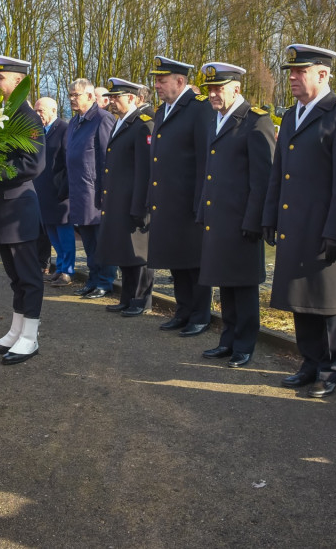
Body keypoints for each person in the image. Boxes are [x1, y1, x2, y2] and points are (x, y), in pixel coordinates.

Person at [262, 45, 336, 397]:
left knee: (329, 301)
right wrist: (270, 215)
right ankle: (309, 361)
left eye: (299, 71)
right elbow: (280, 173)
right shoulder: (291, 115)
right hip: (295, 223)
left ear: (323, 74)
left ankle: (333, 369)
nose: (291, 77)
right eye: (290, 71)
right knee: (300, 297)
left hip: (324, 227)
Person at [197, 62, 275, 368]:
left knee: (243, 287)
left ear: (236, 88)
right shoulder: (215, 120)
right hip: (219, 218)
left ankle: (244, 344)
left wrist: (254, 221)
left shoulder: (255, 122)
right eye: (210, 89)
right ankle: (227, 339)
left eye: (219, 88)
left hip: (243, 221)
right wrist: (204, 209)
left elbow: (263, 178)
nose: (214, 94)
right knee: (224, 283)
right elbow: (210, 172)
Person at [0, 55, 47, 365]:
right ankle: (16, 331)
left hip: (19, 209)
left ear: (18, 81)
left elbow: (33, 164)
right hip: (2, 208)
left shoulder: (29, 118)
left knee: (28, 276)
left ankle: (30, 337)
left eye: (1, 77)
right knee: (14, 276)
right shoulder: (3, 114)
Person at [146, 56, 214, 336]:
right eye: (157, 81)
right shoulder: (164, 110)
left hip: (189, 202)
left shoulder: (199, 108)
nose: (157, 86)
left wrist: (201, 202)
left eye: (162, 81)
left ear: (180, 81)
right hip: (168, 201)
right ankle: (183, 310)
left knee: (194, 263)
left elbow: (204, 160)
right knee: (176, 262)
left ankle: (200, 314)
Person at [97, 78, 154, 316]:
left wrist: (140, 204)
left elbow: (145, 169)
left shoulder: (142, 124)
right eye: (110, 97)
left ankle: (141, 300)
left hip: (133, 199)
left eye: (116, 97)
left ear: (131, 98)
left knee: (138, 252)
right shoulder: (121, 122)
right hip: (118, 199)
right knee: (124, 250)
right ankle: (127, 296)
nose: (111, 102)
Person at [64, 78, 117, 299]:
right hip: (78, 191)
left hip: (95, 192)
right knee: (87, 241)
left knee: (101, 240)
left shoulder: (102, 119)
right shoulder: (75, 122)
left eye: (76, 95)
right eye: (70, 95)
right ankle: (93, 280)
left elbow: (107, 158)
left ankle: (105, 281)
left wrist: (106, 192)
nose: (72, 99)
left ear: (89, 96)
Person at [33, 97, 74, 286]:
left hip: (59, 191)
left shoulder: (64, 129)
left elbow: (68, 160)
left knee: (64, 232)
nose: (37, 114)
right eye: (36, 110)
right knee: (51, 231)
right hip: (42, 190)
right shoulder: (37, 131)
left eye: (41, 110)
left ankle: (68, 270)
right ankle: (60, 267)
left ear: (53, 110)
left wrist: (64, 186)